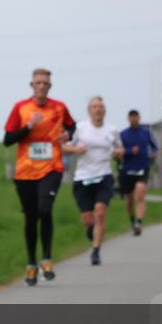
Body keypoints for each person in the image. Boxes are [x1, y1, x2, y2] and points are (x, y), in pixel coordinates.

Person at [3, 68, 77, 286]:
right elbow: (7, 139)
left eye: (45, 83)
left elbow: (72, 126)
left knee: (45, 209)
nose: (42, 86)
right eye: (38, 82)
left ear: (50, 86)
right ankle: (31, 262)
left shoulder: (59, 107)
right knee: (31, 216)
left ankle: (46, 258)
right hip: (25, 171)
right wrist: (28, 127)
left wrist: (68, 134)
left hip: (52, 168)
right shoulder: (21, 108)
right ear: (32, 85)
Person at [63, 97, 123, 265]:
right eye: (94, 107)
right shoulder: (80, 128)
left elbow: (119, 147)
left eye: (100, 107)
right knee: (88, 219)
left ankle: (96, 251)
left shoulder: (112, 130)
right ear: (89, 110)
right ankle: (91, 229)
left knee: (101, 213)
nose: (97, 109)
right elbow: (63, 147)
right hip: (83, 177)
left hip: (104, 176)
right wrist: (75, 149)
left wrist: (119, 152)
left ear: (104, 110)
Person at [119, 109, 158, 236]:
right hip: (128, 169)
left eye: (136, 117)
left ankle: (139, 222)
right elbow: (118, 151)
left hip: (143, 168)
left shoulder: (146, 133)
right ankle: (132, 220)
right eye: (132, 117)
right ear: (128, 119)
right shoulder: (123, 134)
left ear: (139, 118)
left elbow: (155, 146)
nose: (134, 119)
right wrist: (130, 151)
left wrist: (154, 152)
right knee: (129, 200)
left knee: (140, 195)